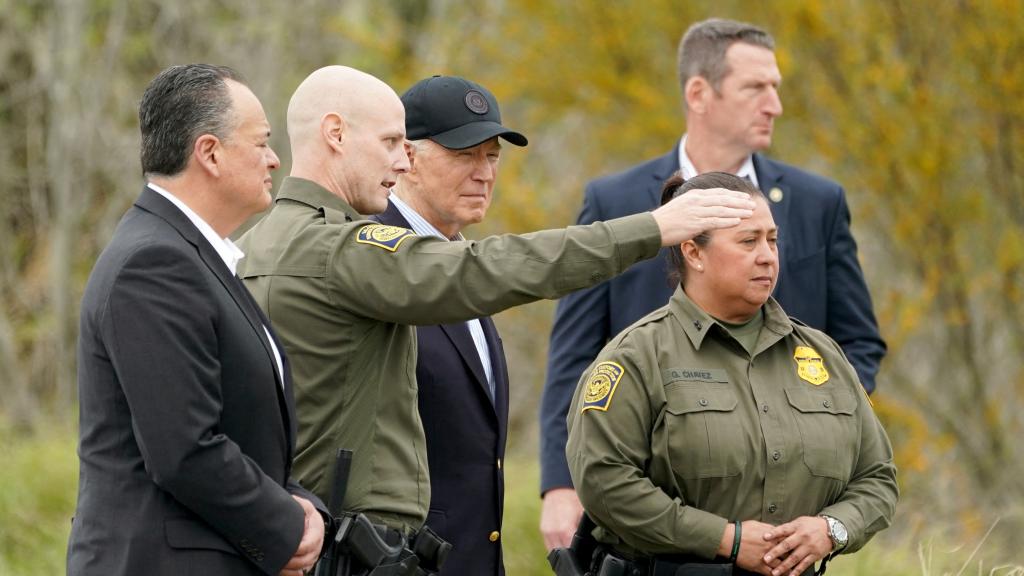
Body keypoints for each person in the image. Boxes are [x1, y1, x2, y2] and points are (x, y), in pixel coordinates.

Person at [236, 65, 755, 574]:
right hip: (349, 547)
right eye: (392, 141)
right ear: (335, 134)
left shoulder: (246, 250)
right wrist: (653, 227)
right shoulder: (341, 247)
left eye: (492, 156)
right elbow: (488, 270)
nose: (399, 159)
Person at [539, 17, 888, 549]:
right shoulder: (616, 201)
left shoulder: (818, 201)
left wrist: (817, 435)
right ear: (699, 93)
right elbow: (574, 353)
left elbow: (858, 343)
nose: (775, 104)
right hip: (655, 503)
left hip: (790, 520)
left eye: (776, 88)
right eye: (756, 88)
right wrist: (561, 484)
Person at [566, 172, 898, 576]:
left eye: (772, 240)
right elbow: (604, 483)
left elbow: (877, 477)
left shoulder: (823, 356)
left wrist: (830, 529)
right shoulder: (636, 358)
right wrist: (726, 539)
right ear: (694, 252)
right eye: (748, 241)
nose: (767, 256)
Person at [68, 64, 325, 576]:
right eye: (261, 143)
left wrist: (301, 503)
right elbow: (183, 449)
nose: (275, 159)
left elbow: (241, 428)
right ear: (209, 153)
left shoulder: (194, 258)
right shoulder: (154, 264)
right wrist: (286, 525)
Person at [371, 75, 526, 576]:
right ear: (407, 158)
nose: (484, 172)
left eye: (492, 155)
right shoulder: (375, 258)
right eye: (465, 155)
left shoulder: (462, 259)